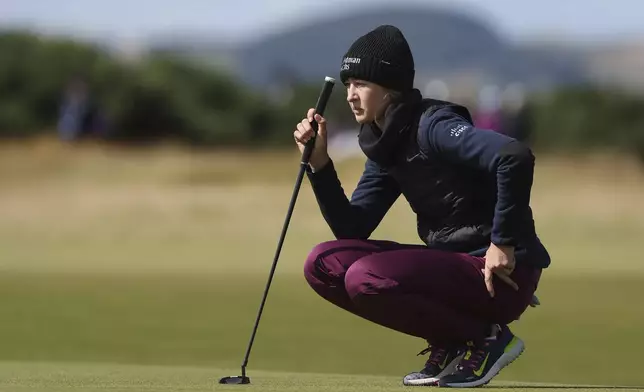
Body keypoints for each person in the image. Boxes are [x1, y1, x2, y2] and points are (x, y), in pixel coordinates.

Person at [292, 25, 551, 388]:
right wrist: (320, 165)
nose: (351, 95)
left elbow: (514, 156)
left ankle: (487, 338)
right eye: (348, 83)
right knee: (323, 263)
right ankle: (452, 340)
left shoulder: (434, 126)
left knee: (366, 277)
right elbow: (352, 228)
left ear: (391, 88)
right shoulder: (387, 145)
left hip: (501, 274)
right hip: (455, 271)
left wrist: (503, 243)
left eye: (362, 84)